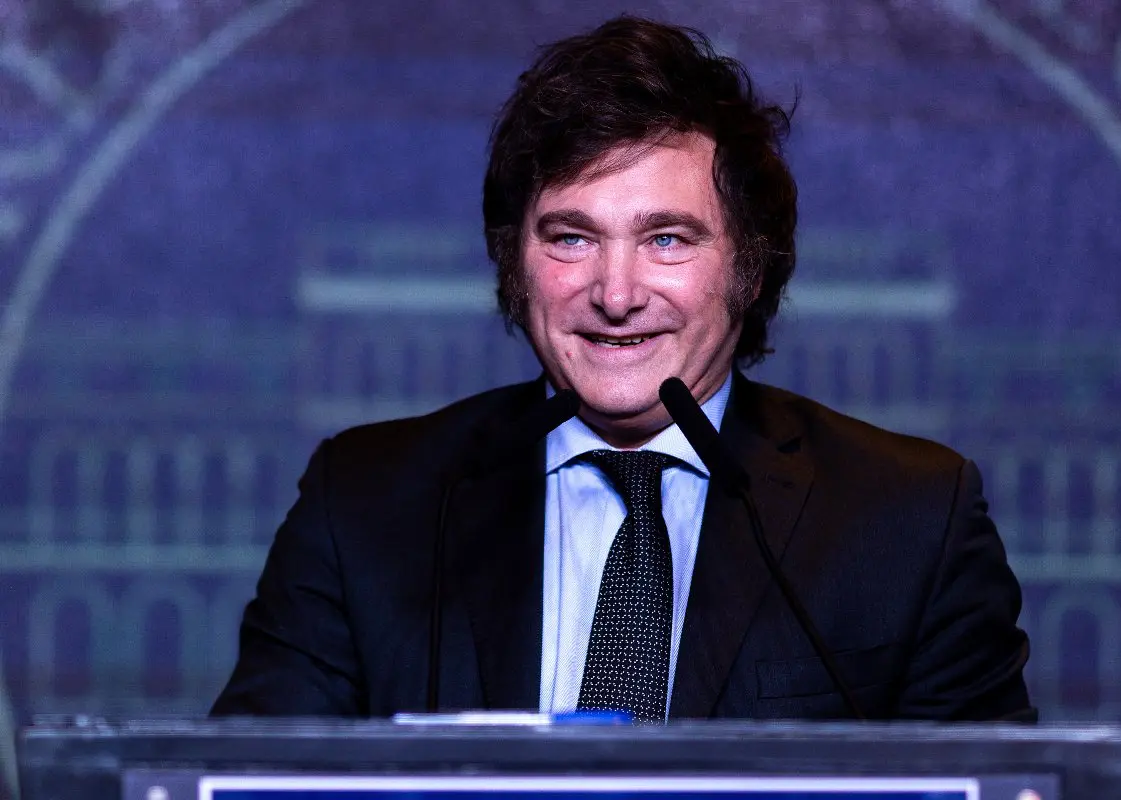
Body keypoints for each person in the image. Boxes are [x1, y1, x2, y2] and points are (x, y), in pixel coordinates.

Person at [212, 16, 1033, 722]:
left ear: (750, 269)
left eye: (666, 239)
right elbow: (245, 783)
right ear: (515, 265)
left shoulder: (910, 520)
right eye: (571, 238)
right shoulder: (364, 505)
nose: (615, 294)